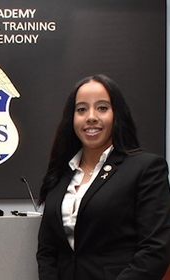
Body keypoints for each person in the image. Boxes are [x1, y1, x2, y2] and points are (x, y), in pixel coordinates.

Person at [36, 74, 170, 280]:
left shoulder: (146, 168)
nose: (91, 117)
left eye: (102, 108)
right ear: (71, 119)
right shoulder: (61, 173)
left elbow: (155, 250)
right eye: (81, 109)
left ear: (117, 115)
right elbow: (48, 250)